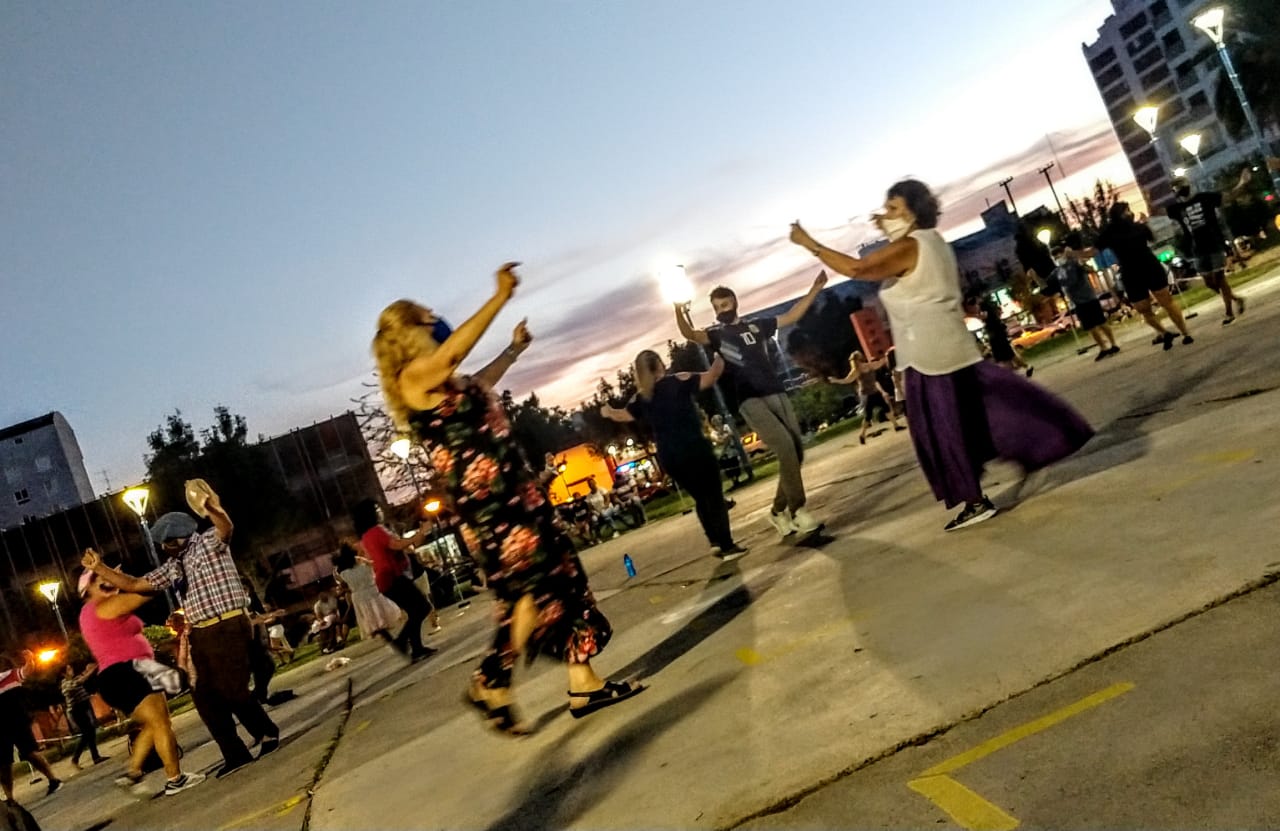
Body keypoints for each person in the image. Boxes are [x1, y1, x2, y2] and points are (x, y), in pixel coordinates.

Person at [372, 263, 642, 734]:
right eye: (425, 316)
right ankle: (490, 680)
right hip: (491, 508)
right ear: (407, 333)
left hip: (518, 495)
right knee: (530, 591)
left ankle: (583, 682)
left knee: (562, 581)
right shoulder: (413, 378)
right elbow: (452, 356)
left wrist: (514, 350)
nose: (436, 318)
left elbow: (480, 378)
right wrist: (498, 298)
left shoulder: (450, 383)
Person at [790, 179, 1094, 531]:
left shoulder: (911, 245)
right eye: (886, 208)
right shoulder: (932, 243)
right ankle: (1036, 447)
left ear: (915, 211)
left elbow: (858, 270)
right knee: (986, 413)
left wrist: (809, 243)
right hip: (949, 348)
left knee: (943, 433)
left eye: (894, 209)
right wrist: (888, 227)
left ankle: (975, 501)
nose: (885, 215)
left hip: (929, 357)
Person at [79, 485, 279, 778]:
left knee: (231, 689)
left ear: (180, 537)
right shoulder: (174, 565)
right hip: (200, 632)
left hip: (227, 624)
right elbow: (135, 584)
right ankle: (234, 752)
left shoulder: (209, 542)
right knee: (204, 695)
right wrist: (102, 567)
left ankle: (266, 733)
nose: (164, 549)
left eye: (167, 543)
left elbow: (226, 527)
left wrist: (211, 508)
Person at [675, 273, 828, 538]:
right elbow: (689, 333)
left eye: (724, 305)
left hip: (775, 391)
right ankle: (798, 510)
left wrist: (815, 288)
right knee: (784, 446)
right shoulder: (716, 335)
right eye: (716, 308)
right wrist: (678, 308)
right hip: (748, 399)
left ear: (734, 302)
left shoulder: (757, 326)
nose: (721, 311)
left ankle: (777, 511)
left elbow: (791, 316)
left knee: (796, 452)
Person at [601, 351, 747, 559]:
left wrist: (606, 411)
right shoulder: (678, 380)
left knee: (700, 497)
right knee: (713, 496)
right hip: (694, 447)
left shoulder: (641, 397)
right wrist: (719, 353)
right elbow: (712, 375)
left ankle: (714, 540)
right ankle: (727, 545)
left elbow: (620, 414)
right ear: (660, 364)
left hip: (670, 456)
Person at [75, 564, 204, 796]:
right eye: (102, 578)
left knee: (153, 723)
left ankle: (133, 772)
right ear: (89, 587)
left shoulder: (89, 614)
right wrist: (165, 575)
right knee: (162, 723)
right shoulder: (103, 606)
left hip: (116, 676)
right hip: (129, 671)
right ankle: (175, 779)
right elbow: (145, 591)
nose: (111, 580)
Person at [1091, 202, 1192, 350]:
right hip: (1131, 272)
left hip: (1148, 266)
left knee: (1166, 301)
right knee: (1142, 309)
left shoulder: (1137, 227)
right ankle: (1164, 332)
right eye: (1127, 211)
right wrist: (1073, 254)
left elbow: (1152, 238)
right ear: (1119, 214)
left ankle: (1185, 333)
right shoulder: (1110, 232)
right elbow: (1093, 251)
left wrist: (1146, 224)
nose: (1130, 213)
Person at [351, 500, 439, 662]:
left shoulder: (366, 536)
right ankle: (401, 641)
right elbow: (398, 545)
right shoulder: (377, 530)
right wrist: (420, 532)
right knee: (423, 607)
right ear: (370, 513)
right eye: (376, 508)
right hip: (392, 577)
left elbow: (403, 547)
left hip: (385, 580)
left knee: (415, 611)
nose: (380, 511)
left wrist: (420, 534)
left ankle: (417, 649)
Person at [1167, 173, 1250, 325]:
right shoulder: (1177, 208)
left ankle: (1229, 313)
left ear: (1188, 186)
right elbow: (1155, 212)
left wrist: (1242, 183)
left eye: (1182, 188)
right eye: (1178, 190)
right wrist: (1147, 200)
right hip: (1197, 249)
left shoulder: (1204, 198)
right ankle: (1236, 299)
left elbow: (1229, 197)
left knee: (1219, 278)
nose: (1181, 192)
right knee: (1209, 283)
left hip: (1214, 244)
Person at [0, 650, 62, 801]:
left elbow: (27, 670)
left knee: (29, 753)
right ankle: (10, 798)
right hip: (2, 726)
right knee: (3, 763)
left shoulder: (12, 675)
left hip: (17, 721)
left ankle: (54, 780)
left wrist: (31, 659)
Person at [1052, 237, 1119, 361]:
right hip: (1077, 303)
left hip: (1089, 298)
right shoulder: (1058, 271)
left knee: (1101, 323)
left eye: (1059, 255)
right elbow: (1051, 283)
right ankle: (1103, 347)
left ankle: (1113, 344)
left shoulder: (1075, 263)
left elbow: (1089, 269)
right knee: (1090, 327)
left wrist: (1076, 259)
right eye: (1055, 257)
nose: (1058, 258)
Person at [334, 542, 408, 647]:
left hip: (359, 596)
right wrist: (364, 560)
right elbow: (376, 565)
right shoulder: (364, 565)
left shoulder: (344, 574)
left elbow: (339, 579)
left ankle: (385, 635)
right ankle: (394, 637)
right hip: (373, 591)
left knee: (371, 617)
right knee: (383, 615)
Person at [827, 350, 905, 444]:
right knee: (868, 416)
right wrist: (835, 380)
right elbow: (847, 380)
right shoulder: (857, 371)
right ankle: (862, 435)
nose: (856, 362)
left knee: (885, 409)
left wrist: (885, 358)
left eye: (855, 360)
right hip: (866, 394)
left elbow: (878, 364)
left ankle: (896, 426)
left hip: (874, 392)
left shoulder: (866, 366)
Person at [60, 663, 107, 768]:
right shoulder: (65, 683)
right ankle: (76, 759)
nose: (71, 670)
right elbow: (80, 682)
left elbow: (84, 678)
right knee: (87, 733)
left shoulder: (75, 678)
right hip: (76, 711)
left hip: (84, 708)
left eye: (71, 668)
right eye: (68, 669)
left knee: (90, 732)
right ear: (63, 673)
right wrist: (92, 670)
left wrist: (90, 669)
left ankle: (95, 757)